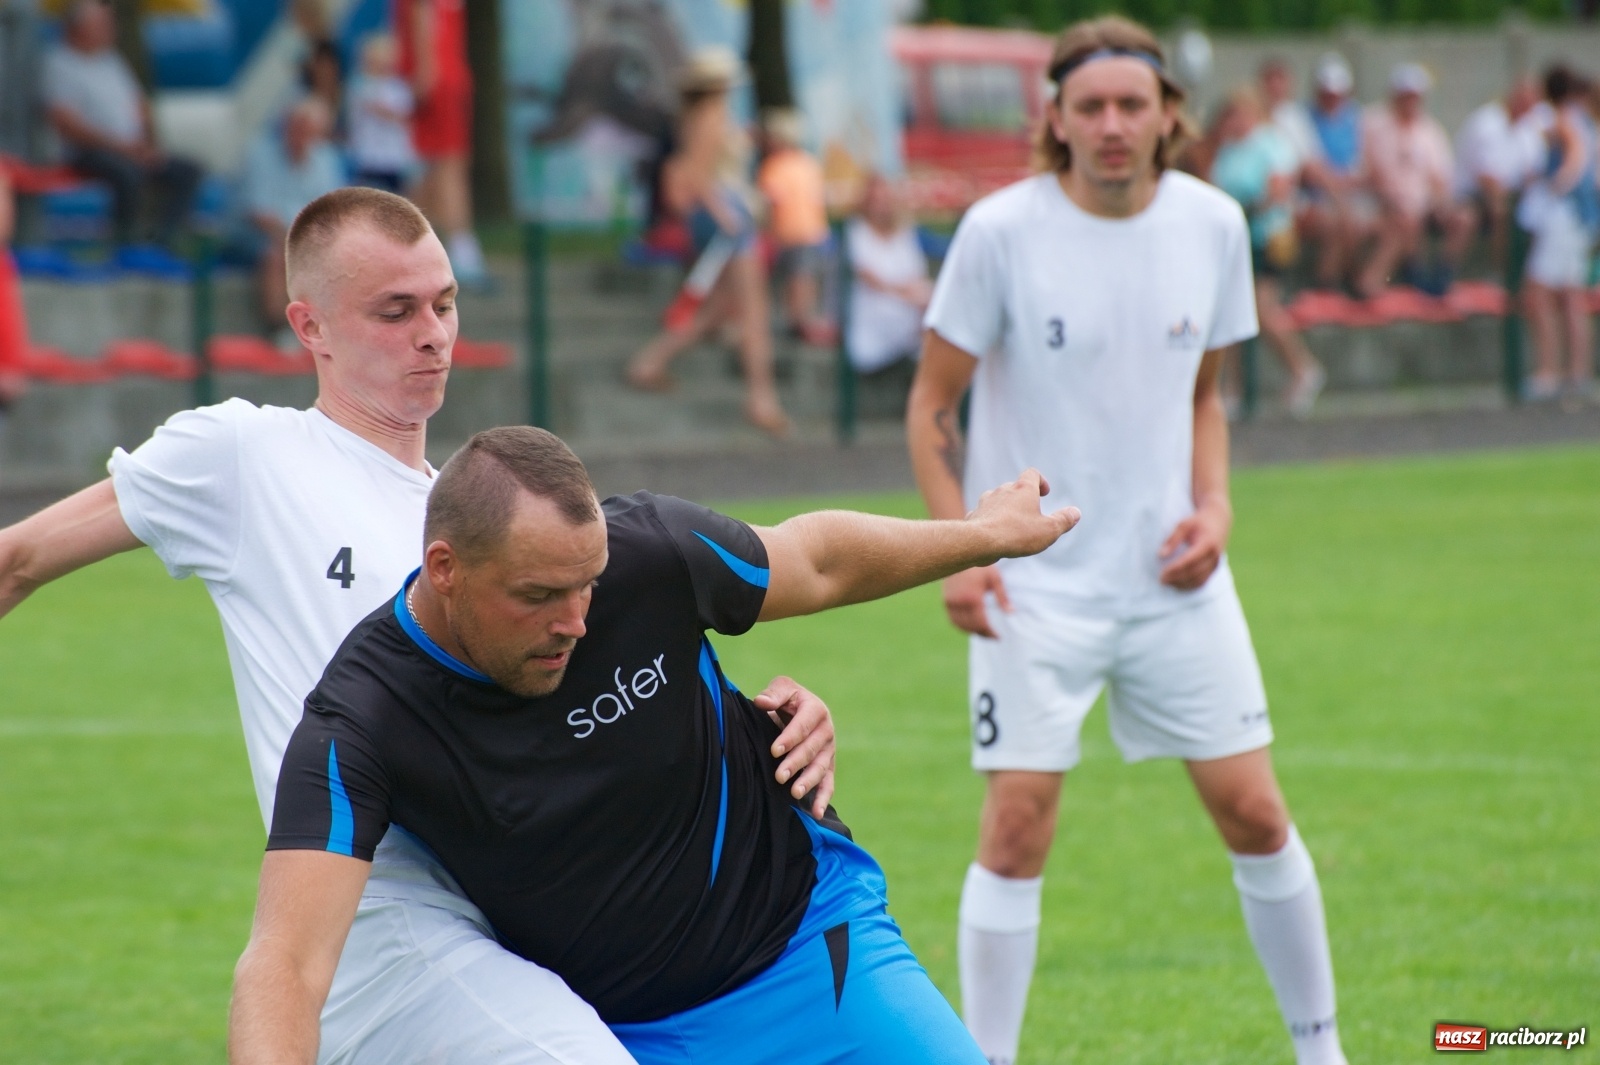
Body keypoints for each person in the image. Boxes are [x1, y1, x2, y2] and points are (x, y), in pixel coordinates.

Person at [0, 186, 839, 1065]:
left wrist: (757, 723)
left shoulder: (482, 519)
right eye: (395, 311)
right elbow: (18, 557)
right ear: (309, 325)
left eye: (444, 303)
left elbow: (599, 678)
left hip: (508, 925)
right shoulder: (244, 456)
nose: (433, 332)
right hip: (376, 930)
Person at [231, 425, 1081, 1065]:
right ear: (445, 568)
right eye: (540, 595)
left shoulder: (652, 549)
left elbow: (812, 560)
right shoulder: (363, 715)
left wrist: (984, 534)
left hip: (811, 950)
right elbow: (287, 963)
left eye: (589, 584)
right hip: (618, 1032)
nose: (577, 621)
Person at [905, 16, 1348, 1065]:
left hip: (1172, 583)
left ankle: (1323, 1052)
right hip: (1031, 591)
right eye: (1089, 107)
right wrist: (958, 547)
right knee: (1016, 828)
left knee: (1254, 812)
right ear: (1052, 118)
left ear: (1167, 120)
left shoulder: (1213, 224)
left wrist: (1218, 506)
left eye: (1130, 107)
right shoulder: (999, 231)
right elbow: (930, 405)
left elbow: (1206, 394)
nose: (1110, 125)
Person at [625, 48, 789, 436]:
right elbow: (700, 178)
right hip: (726, 218)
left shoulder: (697, 116)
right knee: (753, 311)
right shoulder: (711, 116)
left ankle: (650, 362)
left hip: (721, 216)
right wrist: (728, 218)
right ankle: (761, 398)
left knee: (718, 309)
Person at [42, 0, 201, 247]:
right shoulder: (58, 64)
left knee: (188, 171)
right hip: (88, 152)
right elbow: (67, 123)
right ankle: (125, 245)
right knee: (127, 173)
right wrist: (122, 147)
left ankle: (163, 241)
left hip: (128, 148)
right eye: (103, 24)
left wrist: (145, 144)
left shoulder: (111, 61)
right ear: (80, 28)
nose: (111, 29)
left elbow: (139, 106)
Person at [1206, 87, 1326, 417]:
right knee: (1229, 312)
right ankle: (1234, 387)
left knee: (1262, 308)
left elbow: (1278, 189)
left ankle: (1302, 368)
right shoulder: (1228, 150)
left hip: (1267, 236)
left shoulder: (1270, 144)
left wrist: (1248, 210)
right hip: (1236, 239)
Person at [1356, 62, 1473, 298]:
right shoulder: (1374, 124)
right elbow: (1369, 169)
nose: (1410, 102)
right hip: (1388, 202)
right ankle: (1413, 275)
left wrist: (1440, 202)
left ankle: (1442, 274)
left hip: (1422, 203)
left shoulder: (1430, 131)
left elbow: (1440, 176)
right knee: (1407, 217)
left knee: (1463, 218)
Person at [1518, 66, 1599, 405]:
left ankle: (1548, 373)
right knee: (1570, 297)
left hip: (1564, 217)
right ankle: (1577, 374)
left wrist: (1557, 185)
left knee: (1537, 294)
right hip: (1580, 219)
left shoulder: (1564, 119)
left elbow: (1575, 157)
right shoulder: (1585, 119)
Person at [394, 0, 489, 287]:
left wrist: (425, 70)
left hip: (437, 76)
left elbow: (423, 12)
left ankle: (458, 247)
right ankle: (411, 241)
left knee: (447, 165)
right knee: (440, 168)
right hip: (448, 74)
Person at [244, 98, 347, 347]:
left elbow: (333, 212)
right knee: (279, 255)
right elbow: (259, 214)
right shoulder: (261, 154)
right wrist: (292, 237)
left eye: (309, 131)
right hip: (264, 234)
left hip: (308, 236)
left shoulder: (326, 159)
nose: (301, 136)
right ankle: (282, 327)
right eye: (296, 127)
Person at [756, 107, 834, 345]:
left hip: (789, 232)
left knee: (796, 278)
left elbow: (771, 202)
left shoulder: (774, 166)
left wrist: (767, 231)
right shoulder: (809, 162)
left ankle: (798, 322)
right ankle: (803, 320)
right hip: (814, 230)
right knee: (804, 277)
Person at [844, 174, 931, 375]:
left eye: (884, 198)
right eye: (875, 199)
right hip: (871, 321)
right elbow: (869, 278)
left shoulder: (904, 232)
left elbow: (915, 277)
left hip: (906, 315)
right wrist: (907, 295)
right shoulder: (855, 231)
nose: (880, 205)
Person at [1455, 79, 1542, 272]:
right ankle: (1501, 274)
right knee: (1501, 210)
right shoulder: (1487, 122)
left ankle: (1526, 276)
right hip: (1473, 194)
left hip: (1511, 194)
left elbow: (1530, 171)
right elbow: (1484, 174)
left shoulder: (1527, 130)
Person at [1303, 54, 1374, 291]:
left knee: (1354, 219)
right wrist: (1335, 186)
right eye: (1327, 94)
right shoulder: (1306, 118)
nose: (1332, 99)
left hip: (1349, 191)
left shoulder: (1357, 118)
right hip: (1318, 194)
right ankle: (1332, 281)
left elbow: (1365, 163)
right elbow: (1311, 164)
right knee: (1341, 219)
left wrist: (1344, 185)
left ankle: (1342, 279)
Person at [346, 33, 416, 194]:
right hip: (366, 157)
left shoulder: (398, 87)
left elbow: (404, 116)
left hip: (394, 158)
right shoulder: (359, 84)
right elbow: (377, 108)